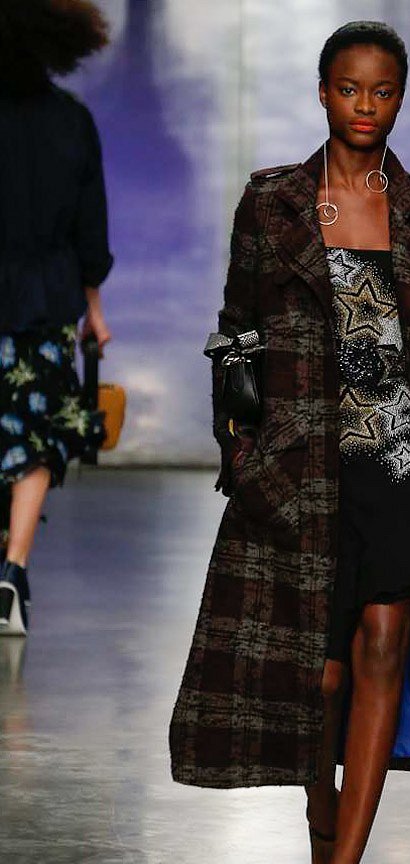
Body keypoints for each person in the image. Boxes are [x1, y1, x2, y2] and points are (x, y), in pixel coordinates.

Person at [169, 20, 410, 864]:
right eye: (350, 88)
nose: (366, 106)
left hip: (405, 468)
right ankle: (325, 829)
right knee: (316, 685)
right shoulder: (272, 203)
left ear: (400, 96)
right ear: (322, 92)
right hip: (302, 476)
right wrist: (243, 457)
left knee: (381, 654)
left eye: (383, 90)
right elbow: (235, 338)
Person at [0, 0, 113, 636]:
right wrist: (94, 308)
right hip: (47, 300)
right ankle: (12, 572)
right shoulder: (71, 120)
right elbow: (89, 232)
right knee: (37, 436)